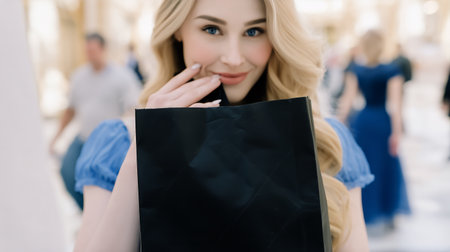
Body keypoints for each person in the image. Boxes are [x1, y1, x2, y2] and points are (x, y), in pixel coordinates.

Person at [74, 1, 374, 251]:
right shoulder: (119, 143)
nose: (233, 58)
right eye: (212, 29)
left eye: (254, 31)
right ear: (178, 29)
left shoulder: (323, 141)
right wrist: (145, 150)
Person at [49, 33, 141, 209]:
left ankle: (102, 215)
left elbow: (133, 108)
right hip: (84, 137)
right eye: (87, 50)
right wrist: (56, 137)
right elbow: (71, 110)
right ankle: (87, 212)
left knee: (103, 184)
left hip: (107, 143)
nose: (90, 54)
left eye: (93, 50)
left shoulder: (122, 76)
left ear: (103, 49)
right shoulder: (79, 76)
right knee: (67, 171)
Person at [338, 30, 411, 228]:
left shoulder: (356, 69)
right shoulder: (392, 69)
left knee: (364, 166)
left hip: (363, 121)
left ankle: (365, 210)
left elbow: (348, 99)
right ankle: (388, 210)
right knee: (386, 166)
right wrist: (396, 133)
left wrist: (339, 124)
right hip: (381, 122)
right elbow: (396, 105)